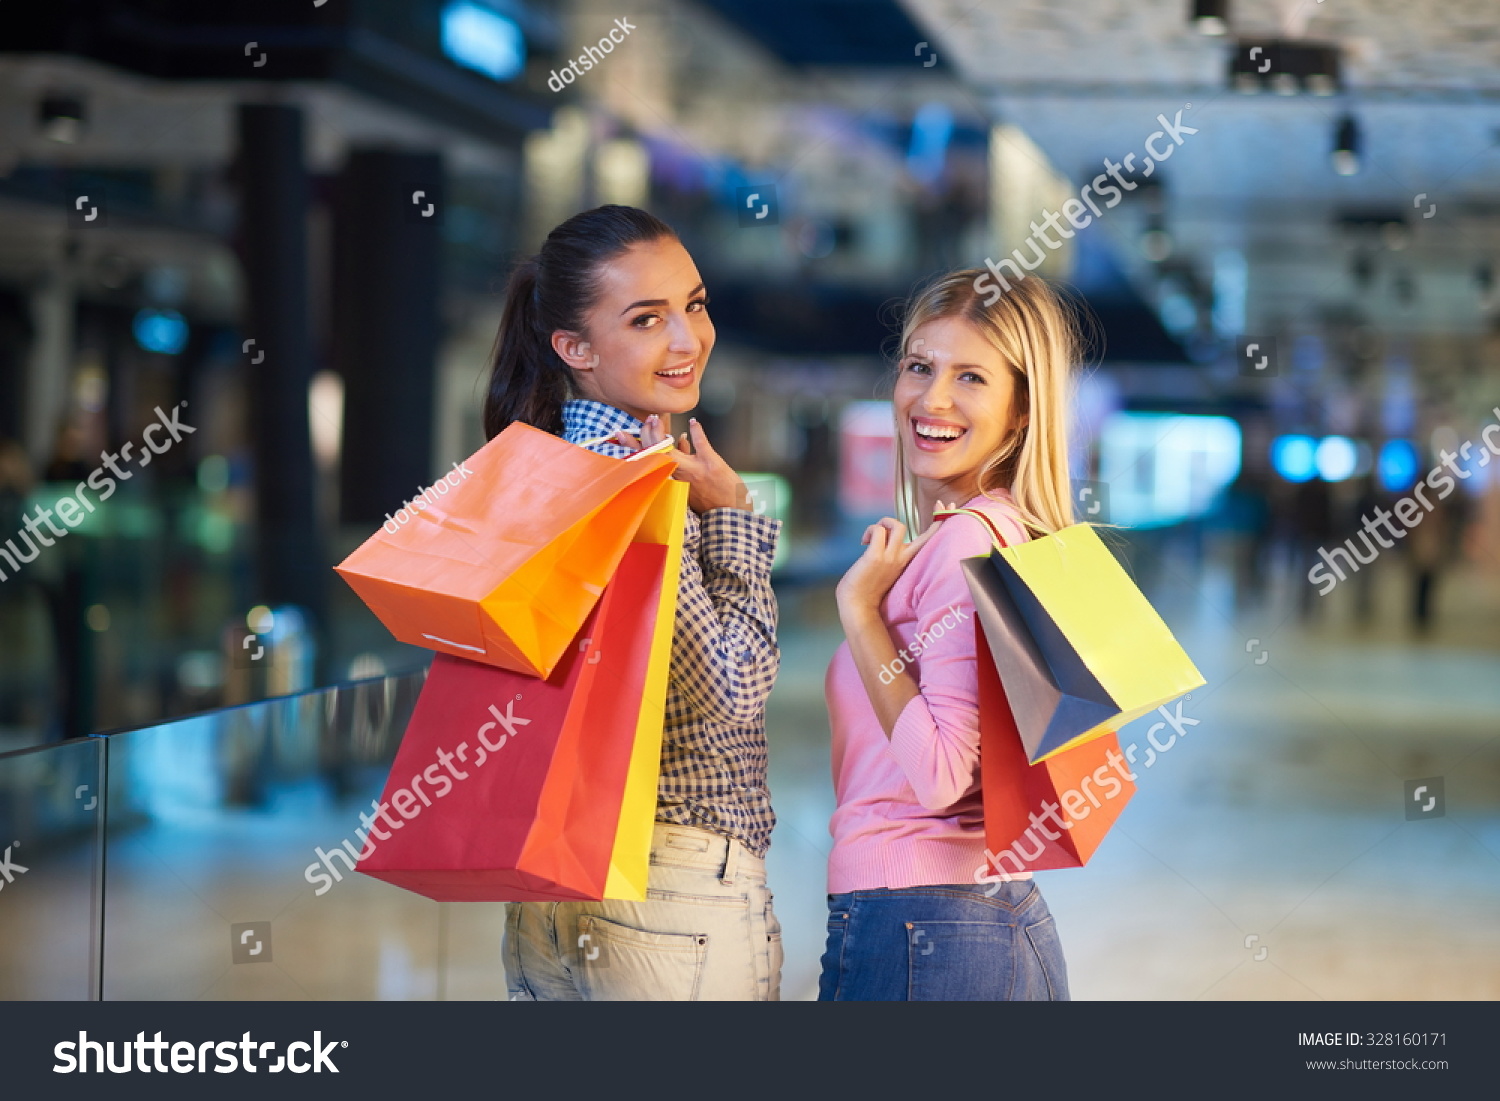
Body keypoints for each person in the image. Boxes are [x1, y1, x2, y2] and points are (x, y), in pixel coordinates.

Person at [487, 205, 783, 1000]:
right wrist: (734, 520)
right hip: (667, 882)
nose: (688, 339)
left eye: (694, 303)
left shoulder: (539, 462)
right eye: (647, 319)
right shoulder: (627, 476)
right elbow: (731, 691)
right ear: (573, 348)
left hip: (550, 882)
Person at [819, 270, 1079, 1001]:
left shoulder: (963, 543)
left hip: (920, 927)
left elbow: (938, 774)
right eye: (919, 367)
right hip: (979, 924)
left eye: (971, 377)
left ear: (1021, 410)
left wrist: (862, 613)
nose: (932, 399)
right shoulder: (1005, 534)